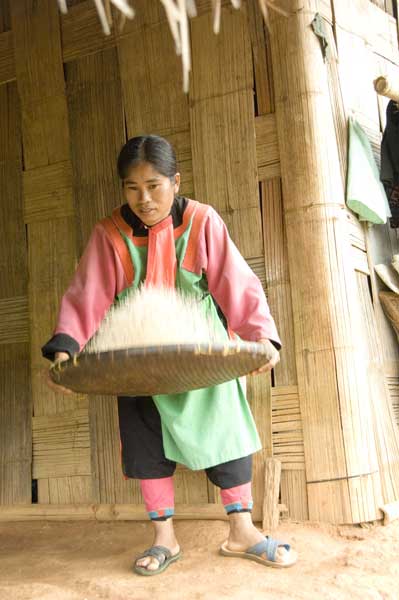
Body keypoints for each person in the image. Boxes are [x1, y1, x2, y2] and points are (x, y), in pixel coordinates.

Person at [43, 135, 297, 575]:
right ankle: (165, 538)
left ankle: (242, 531)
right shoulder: (110, 234)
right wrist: (66, 348)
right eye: (132, 188)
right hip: (136, 352)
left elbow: (236, 282)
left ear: (175, 182)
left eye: (155, 186)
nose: (144, 199)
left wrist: (261, 337)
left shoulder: (202, 221)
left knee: (226, 427)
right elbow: (88, 294)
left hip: (201, 345)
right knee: (146, 437)